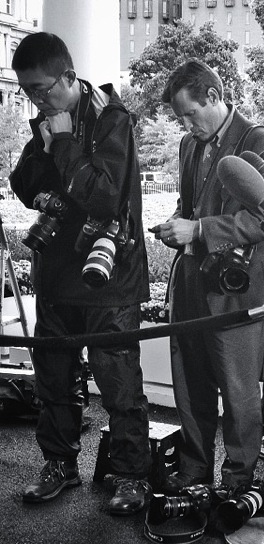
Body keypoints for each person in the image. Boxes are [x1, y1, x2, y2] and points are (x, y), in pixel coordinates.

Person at [10, 32, 152, 515]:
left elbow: (104, 198)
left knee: (118, 382)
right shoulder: (47, 120)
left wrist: (65, 143)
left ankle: (132, 475)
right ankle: (59, 465)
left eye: (42, 88)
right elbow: (22, 183)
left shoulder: (113, 119)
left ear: (69, 77)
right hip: (57, 274)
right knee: (53, 377)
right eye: (25, 89)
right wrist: (49, 164)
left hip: (109, 278)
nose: (35, 98)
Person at [150, 59, 264, 496]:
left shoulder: (259, 139)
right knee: (189, 384)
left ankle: (238, 481)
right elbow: (190, 205)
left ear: (213, 96)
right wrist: (177, 224)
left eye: (190, 113)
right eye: (180, 118)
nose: (187, 125)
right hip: (191, 281)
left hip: (236, 292)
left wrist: (201, 230)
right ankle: (194, 470)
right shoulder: (192, 145)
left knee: (240, 391)